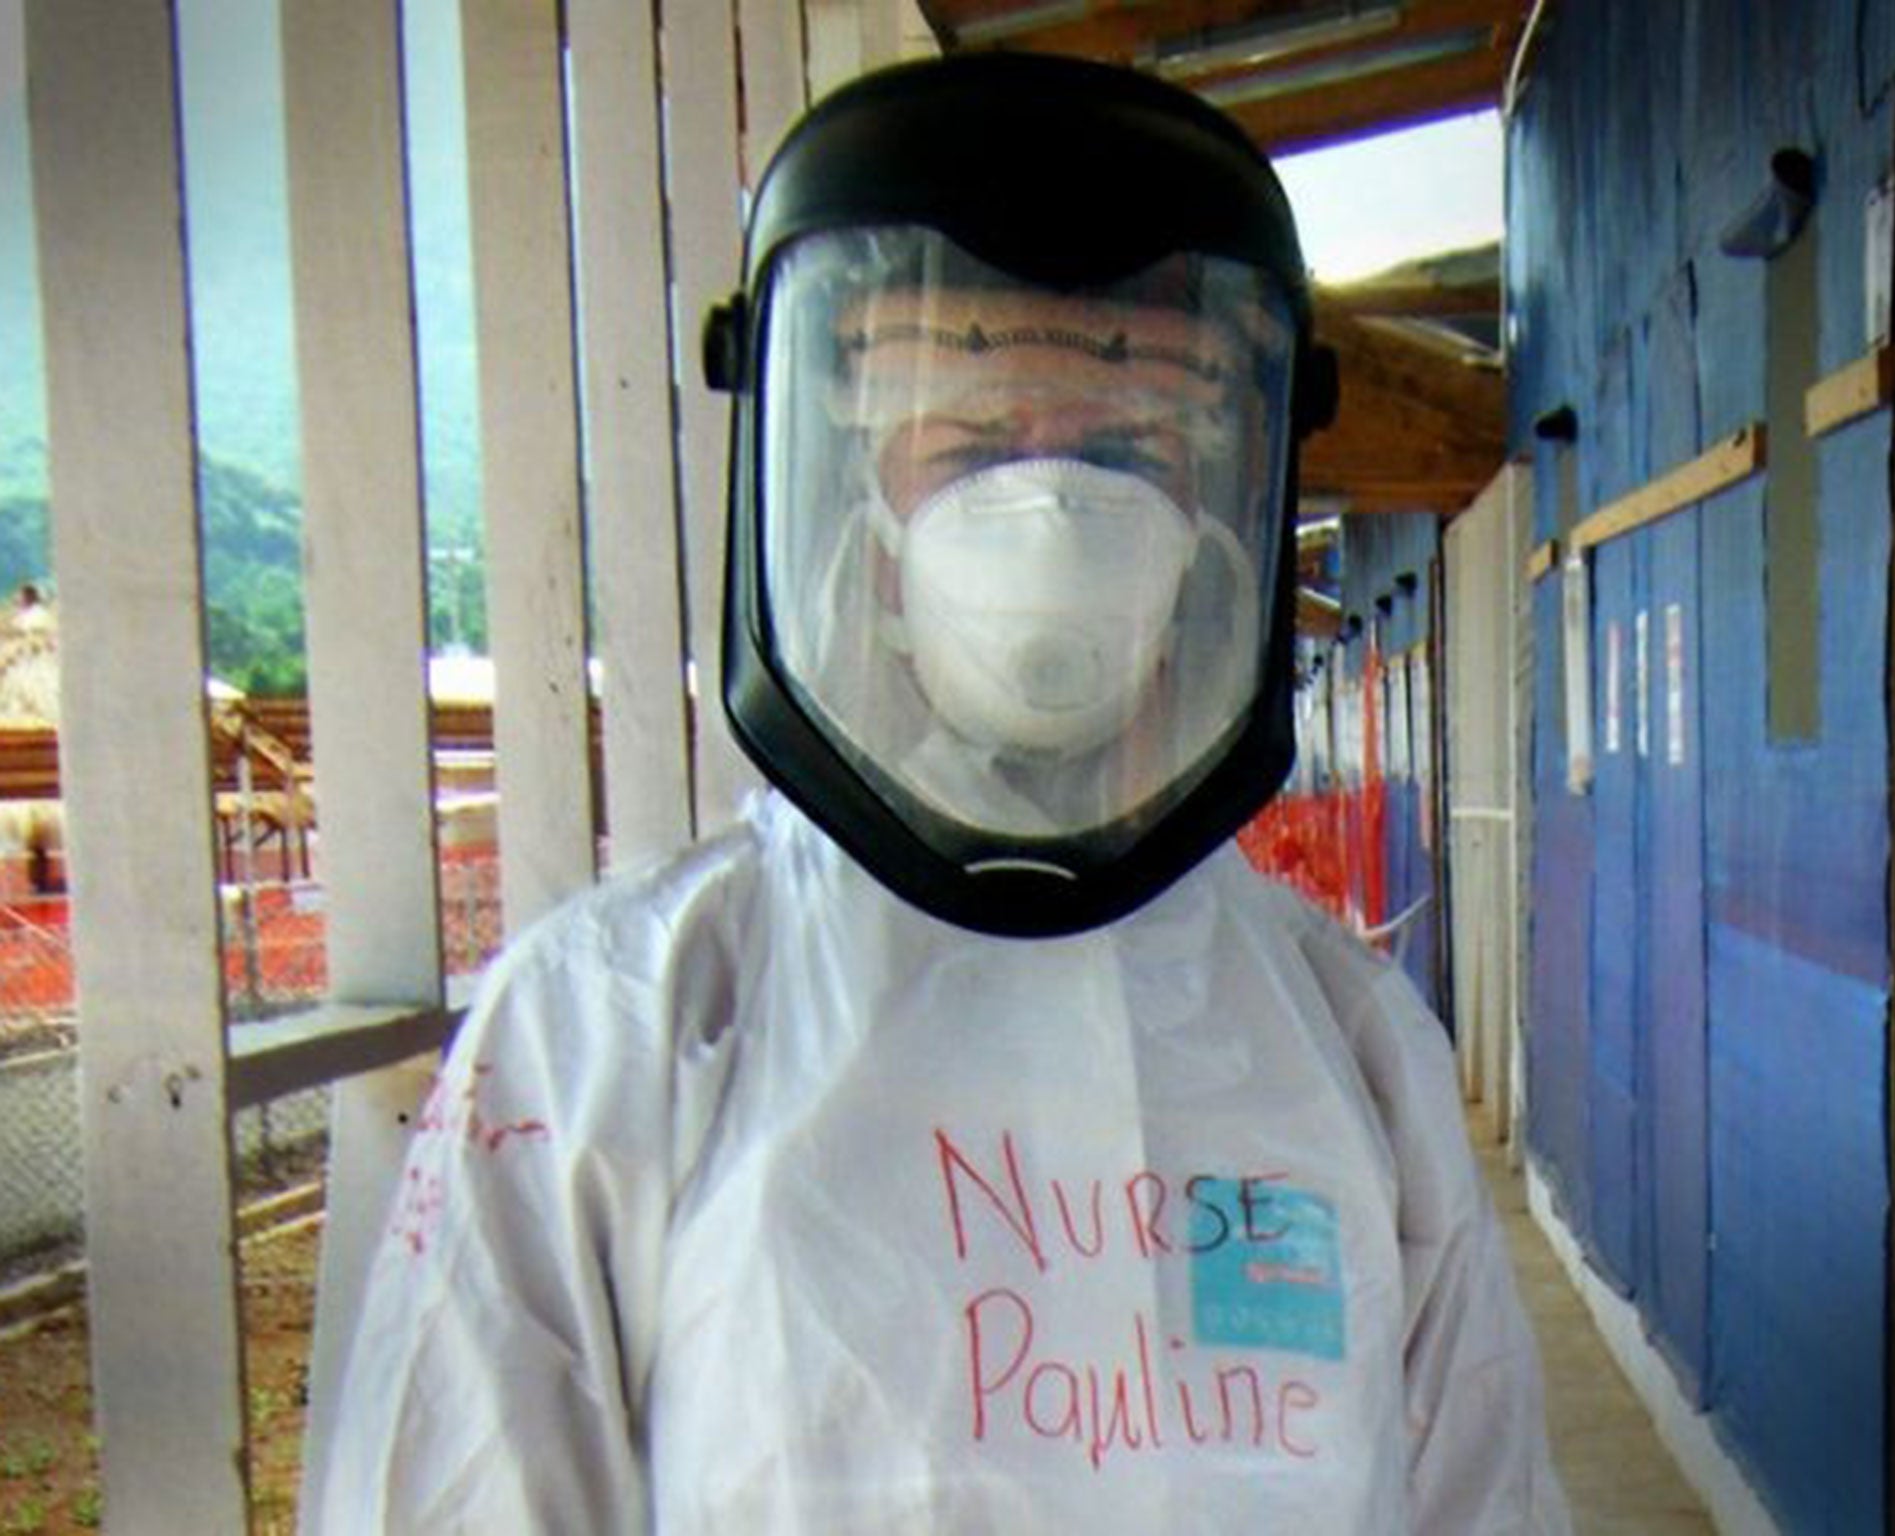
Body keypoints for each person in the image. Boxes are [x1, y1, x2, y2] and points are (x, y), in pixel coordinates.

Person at [308, 53, 1571, 1534]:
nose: (1048, 515)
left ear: (1227, 503)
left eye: (1122, 451)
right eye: (972, 447)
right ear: (855, 504)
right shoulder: (608, 1032)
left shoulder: (1354, 1050)